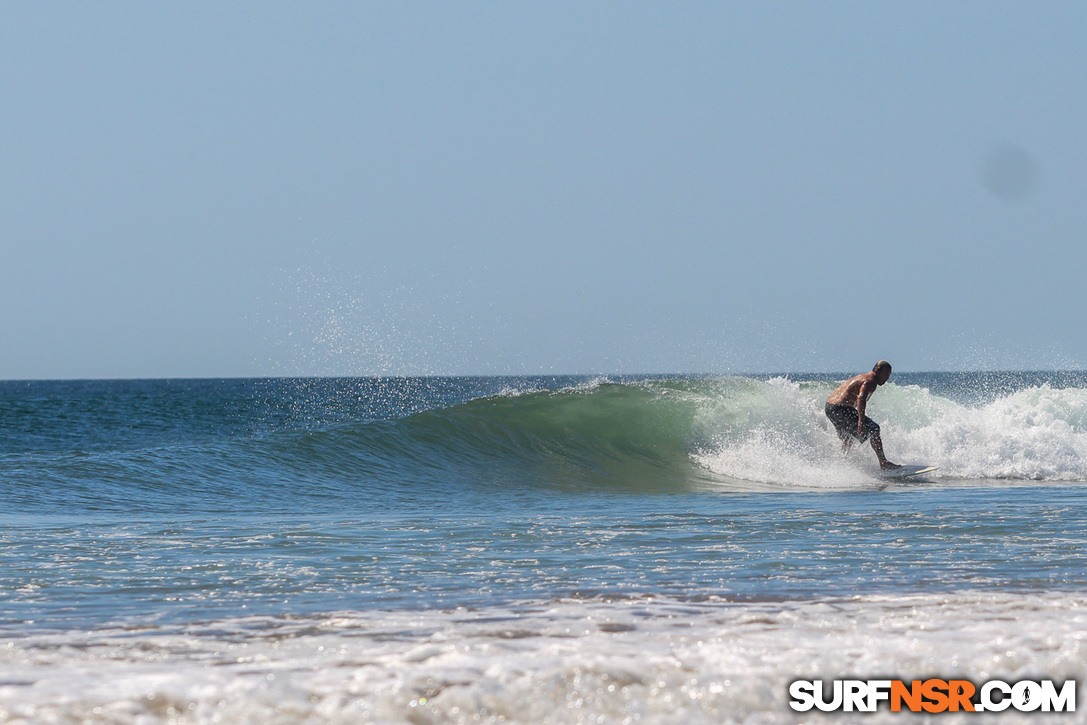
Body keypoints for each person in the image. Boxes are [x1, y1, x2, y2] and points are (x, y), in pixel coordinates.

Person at [825, 361, 900, 470]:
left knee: (847, 437)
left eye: (888, 375)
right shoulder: (870, 381)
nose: (886, 378)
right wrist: (861, 421)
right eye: (885, 375)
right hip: (840, 408)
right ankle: (884, 463)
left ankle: (841, 465)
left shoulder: (864, 377)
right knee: (874, 429)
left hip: (830, 407)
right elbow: (861, 399)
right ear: (876, 371)